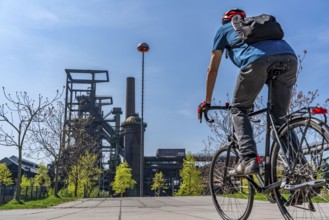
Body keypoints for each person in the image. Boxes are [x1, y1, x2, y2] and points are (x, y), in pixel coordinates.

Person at [198, 8, 298, 176]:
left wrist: (207, 102)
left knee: (238, 109)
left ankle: (249, 160)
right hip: (289, 58)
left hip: (256, 61)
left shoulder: (223, 29)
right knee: (279, 119)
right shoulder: (257, 26)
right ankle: (300, 169)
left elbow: (212, 69)